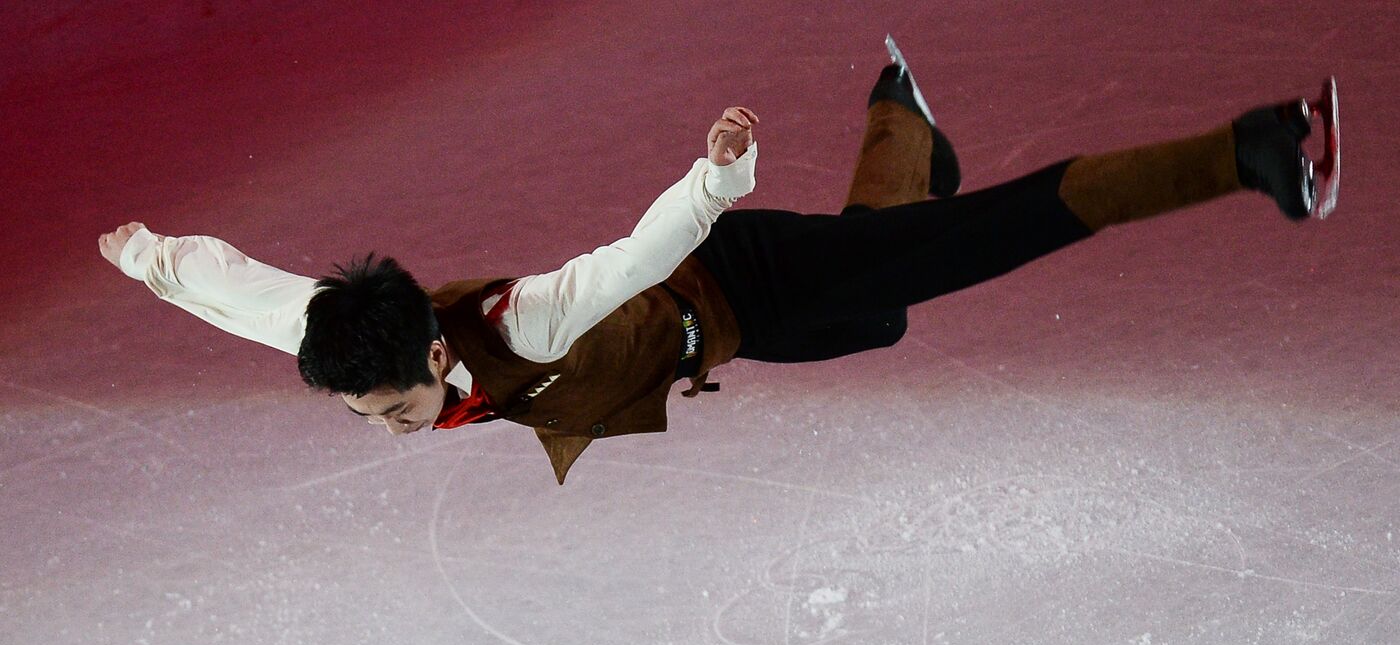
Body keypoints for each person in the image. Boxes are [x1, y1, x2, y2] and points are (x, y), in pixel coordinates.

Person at [99, 53, 1338, 485]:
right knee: (884, 323)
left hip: (740, 271)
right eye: (373, 418)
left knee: (989, 237)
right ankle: (901, 118)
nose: (388, 429)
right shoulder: (347, 338)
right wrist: (148, 257)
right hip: (729, 333)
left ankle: (1251, 148)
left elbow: (637, 254)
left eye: (393, 409)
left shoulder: (523, 324)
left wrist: (713, 177)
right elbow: (240, 290)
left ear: (435, 352)